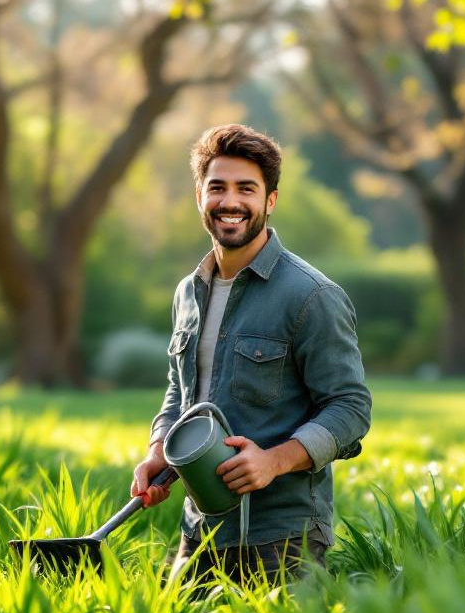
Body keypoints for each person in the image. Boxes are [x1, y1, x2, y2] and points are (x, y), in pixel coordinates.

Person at [132, 123, 372, 585]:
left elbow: (351, 407)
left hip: (283, 535)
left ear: (270, 201)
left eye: (247, 188)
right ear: (199, 196)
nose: (231, 202)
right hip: (199, 528)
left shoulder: (311, 295)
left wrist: (273, 461)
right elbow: (179, 392)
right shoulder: (188, 292)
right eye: (217, 187)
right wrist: (158, 450)